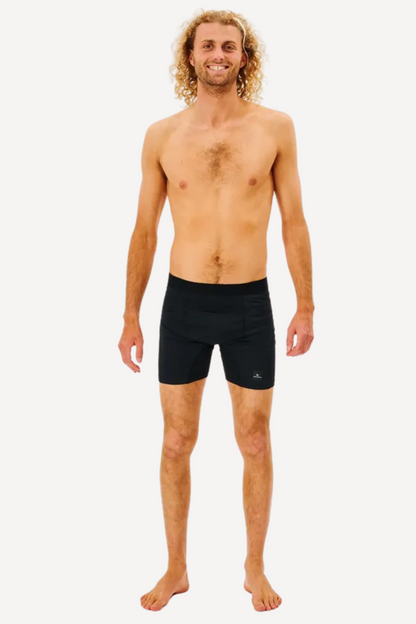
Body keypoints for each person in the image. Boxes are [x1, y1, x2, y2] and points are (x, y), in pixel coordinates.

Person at [118, 9, 314, 613]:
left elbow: (294, 221)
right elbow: (145, 230)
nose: (219, 55)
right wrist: (130, 315)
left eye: (230, 46)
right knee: (176, 440)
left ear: (244, 57)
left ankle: (254, 566)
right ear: (192, 56)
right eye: (208, 45)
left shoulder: (275, 128)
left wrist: (306, 304)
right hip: (184, 303)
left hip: (250, 304)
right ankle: (176, 568)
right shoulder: (162, 135)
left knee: (254, 440)